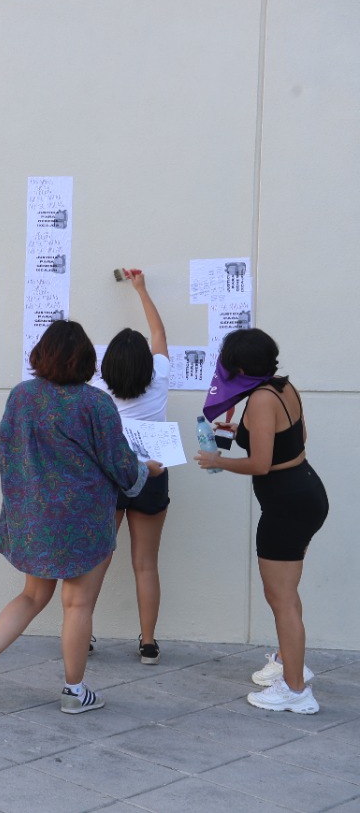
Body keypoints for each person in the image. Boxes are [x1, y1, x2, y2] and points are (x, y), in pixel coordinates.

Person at [0, 320, 162, 713]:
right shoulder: (95, 403)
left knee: (32, 595)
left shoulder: (22, 396)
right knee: (77, 605)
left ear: (41, 354)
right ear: (87, 360)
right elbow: (120, 464)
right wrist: (147, 471)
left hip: (35, 515)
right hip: (83, 520)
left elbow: (6, 445)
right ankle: (74, 691)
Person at [197, 328, 328, 714]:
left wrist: (218, 460)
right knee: (285, 592)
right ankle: (291, 663)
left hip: (286, 505)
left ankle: (296, 690)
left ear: (239, 367)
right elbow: (299, 437)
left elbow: (260, 463)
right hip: (305, 492)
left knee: (280, 597)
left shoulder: (259, 399)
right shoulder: (284, 388)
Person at [92, 269, 171, 664]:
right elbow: (159, 335)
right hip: (153, 473)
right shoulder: (159, 378)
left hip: (112, 476)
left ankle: (82, 631)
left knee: (98, 558)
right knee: (145, 564)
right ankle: (149, 643)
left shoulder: (98, 389)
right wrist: (141, 290)